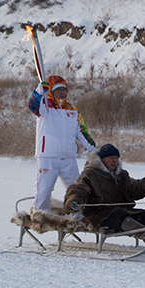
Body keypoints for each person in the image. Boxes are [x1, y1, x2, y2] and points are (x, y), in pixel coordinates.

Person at [63, 144, 145, 246]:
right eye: (111, 157)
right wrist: (73, 200)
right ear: (101, 159)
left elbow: (134, 188)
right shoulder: (90, 174)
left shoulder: (121, 175)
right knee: (119, 215)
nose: (114, 160)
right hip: (98, 215)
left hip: (122, 210)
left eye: (116, 157)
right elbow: (78, 188)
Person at [28, 75, 96, 212]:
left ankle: (79, 216)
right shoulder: (44, 107)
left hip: (68, 159)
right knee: (44, 191)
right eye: (58, 90)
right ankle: (40, 215)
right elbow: (32, 105)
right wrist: (39, 91)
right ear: (51, 92)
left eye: (64, 90)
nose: (62, 93)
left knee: (77, 190)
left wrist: (92, 149)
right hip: (48, 158)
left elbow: (81, 131)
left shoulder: (72, 110)